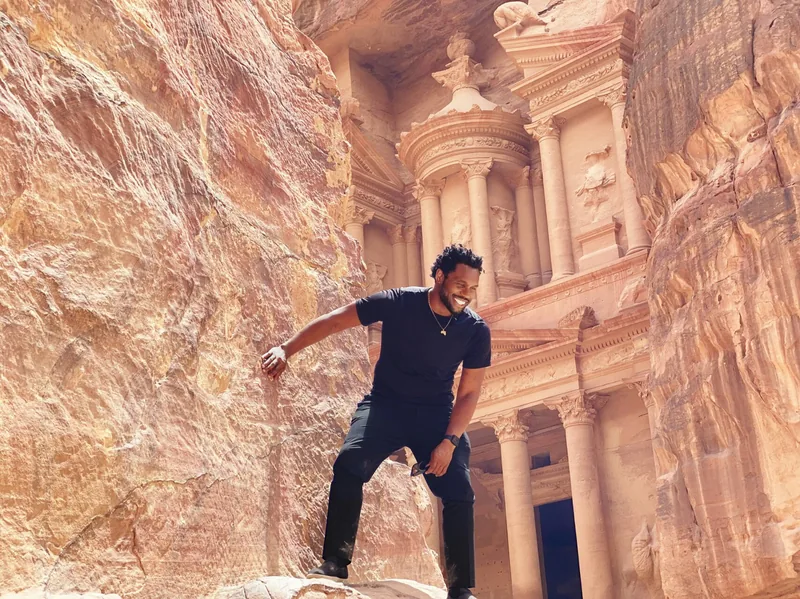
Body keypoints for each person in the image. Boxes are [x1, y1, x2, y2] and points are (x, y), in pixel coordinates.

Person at [260, 244, 492, 599]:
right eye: (460, 284)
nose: (466, 294)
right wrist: (286, 349)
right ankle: (335, 562)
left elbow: (470, 392)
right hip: (386, 404)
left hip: (436, 413)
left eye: (472, 288)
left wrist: (449, 441)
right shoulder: (399, 302)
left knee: (458, 488)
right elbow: (337, 319)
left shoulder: (475, 330)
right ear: (440, 277)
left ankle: (460, 589)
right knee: (351, 462)